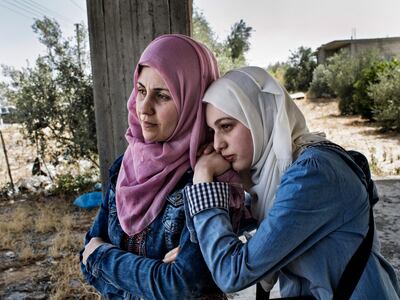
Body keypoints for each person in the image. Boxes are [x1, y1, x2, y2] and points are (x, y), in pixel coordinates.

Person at [185, 66, 400, 299]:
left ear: (261, 116)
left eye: (226, 126)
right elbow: (238, 227)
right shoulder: (277, 172)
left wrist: (203, 178)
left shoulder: (312, 174)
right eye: (212, 131)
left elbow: (231, 272)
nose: (217, 144)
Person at [79, 34, 230, 299]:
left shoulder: (207, 179)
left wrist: (102, 257)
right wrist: (154, 280)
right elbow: (84, 257)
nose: (144, 108)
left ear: (192, 101)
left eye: (162, 96)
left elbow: (183, 286)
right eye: (140, 91)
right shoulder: (125, 166)